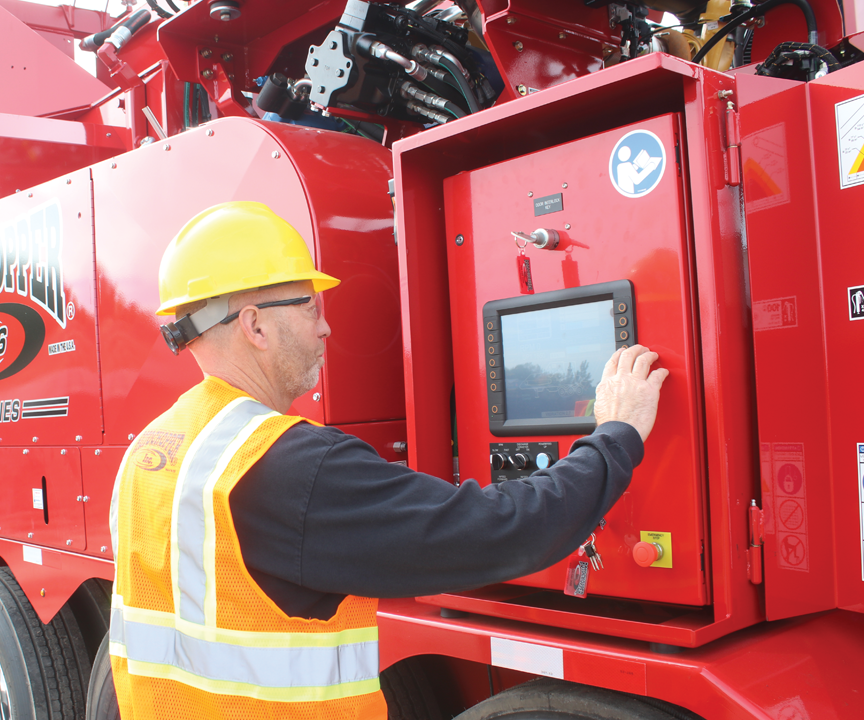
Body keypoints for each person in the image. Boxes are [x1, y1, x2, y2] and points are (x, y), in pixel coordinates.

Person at [108, 201, 668, 720]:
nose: (326, 326)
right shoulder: (289, 466)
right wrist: (616, 435)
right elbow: (498, 530)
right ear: (255, 325)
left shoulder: (154, 449)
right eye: (310, 307)